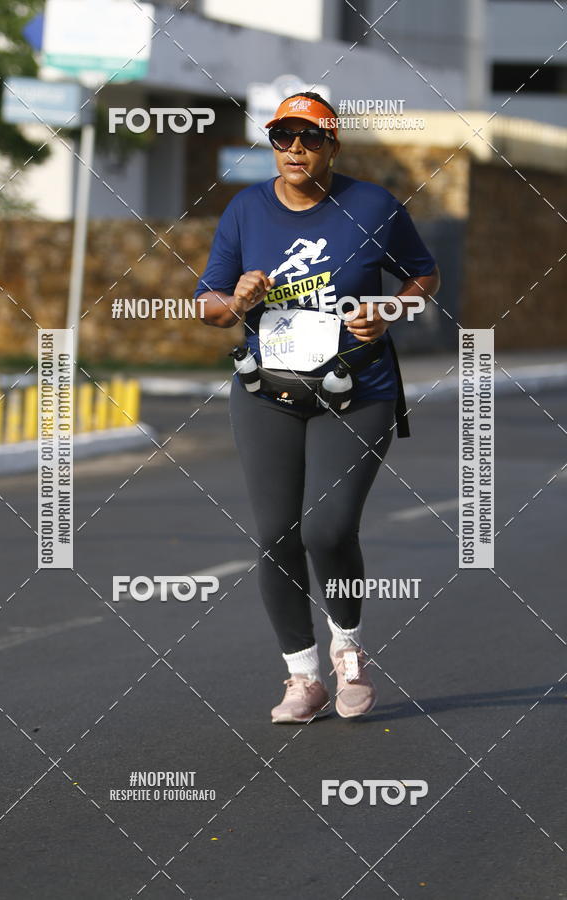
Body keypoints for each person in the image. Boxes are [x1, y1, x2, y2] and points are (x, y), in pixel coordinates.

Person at [195, 92, 440, 723]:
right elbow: (209, 305)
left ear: (333, 145)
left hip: (358, 391)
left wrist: (389, 309)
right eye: (282, 138)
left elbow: (424, 277)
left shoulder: (372, 206)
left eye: (308, 138)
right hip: (267, 393)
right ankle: (302, 676)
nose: (294, 149)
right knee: (278, 534)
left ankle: (349, 647)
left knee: (327, 529)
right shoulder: (247, 209)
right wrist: (238, 298)